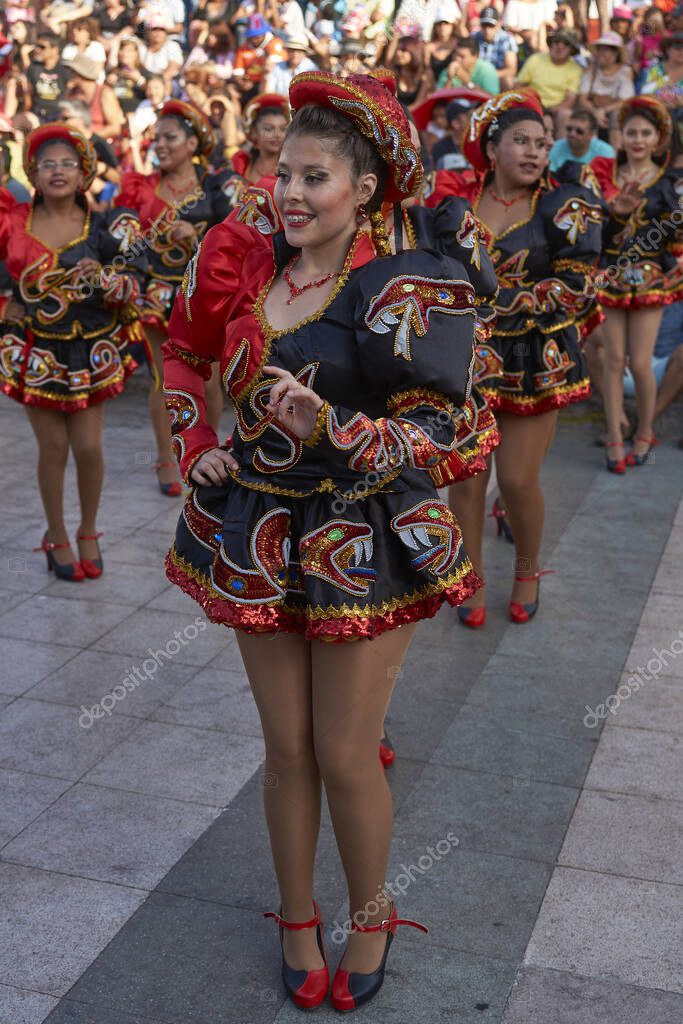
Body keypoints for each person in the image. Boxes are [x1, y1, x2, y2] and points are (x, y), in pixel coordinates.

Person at [162, 70, 484, 1012]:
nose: (291, 194)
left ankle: (372, 914)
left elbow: (445, 430)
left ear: (364, 188)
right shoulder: (243, 260)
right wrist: (196, 443)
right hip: (259, 527)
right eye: (283, 175)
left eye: (315, 178)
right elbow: (181, 351)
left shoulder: (401, 284)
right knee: (288, 747)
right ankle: (296, 917)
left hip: (365, 534)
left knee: (346, 751)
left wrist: (334, 428)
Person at [426, 88, 603, 626]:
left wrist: (504, 299)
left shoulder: (563, 203)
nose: (534, 151)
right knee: (466, 481)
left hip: (534, 359)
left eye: (542, 143)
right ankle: (472, 578)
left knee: (519, 480)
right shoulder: (455, 203)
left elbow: (580, 284)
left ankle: (528, 568)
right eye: (521, 141)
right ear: (491, 147)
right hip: (465, 361)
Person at [0, 123, 145, 579]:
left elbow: (133, 287)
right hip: (36, 349)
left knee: (88, 447)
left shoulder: (103, 226)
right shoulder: (12, 223)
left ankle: (87, 529)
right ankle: (57, 533)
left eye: (68, 163)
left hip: (90, 349)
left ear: (84, 175)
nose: (58, 171)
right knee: (53, 447)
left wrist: (103, 278)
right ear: (33, 174)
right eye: (48, 164)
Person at [116, 100, 237, 497]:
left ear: (192, 144)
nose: (161, 145)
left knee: (210, 379)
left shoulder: (214, 185)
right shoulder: (142, 187)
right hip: (158, 295)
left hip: (207, 294)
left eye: (170, 138)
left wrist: (197, 237)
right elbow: (127, 247)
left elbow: (234, 237)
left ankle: (207, 450)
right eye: (157, 139)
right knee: (164, 379)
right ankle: (167, 457)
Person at [591, 96, 683, 472]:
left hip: (651, 280)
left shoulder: (670, 182)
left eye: (646, 133)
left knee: (641, 363)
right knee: (614, 360)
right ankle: (615, 435)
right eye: (632, 132)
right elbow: (596, 230)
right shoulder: (604, 176)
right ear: (621, 136)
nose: (638, 140)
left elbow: (674, 237)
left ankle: (645, 430)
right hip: (611, 275)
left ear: (658, 139)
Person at [516, 29, 581, 137]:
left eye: (566, 43)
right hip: (531, 106)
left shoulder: (575, 69)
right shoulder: (535, 59)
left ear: (571, 50)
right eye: (556, 42)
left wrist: (548, 111)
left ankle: (559, 148)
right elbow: (518, 86)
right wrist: (531, 105)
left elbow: (569, 101)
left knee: (566, 114)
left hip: (556, 112)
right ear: (551, 45)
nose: (560, 46)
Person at [577, 31, 634, 148]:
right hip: (593, 109)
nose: (601, 53)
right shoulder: (591, 70)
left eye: (606, 50)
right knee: (587, 117)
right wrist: (595, 111)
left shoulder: (625, 71)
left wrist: (603, 110)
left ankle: (615, 154)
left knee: (616, 115)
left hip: (613, 110)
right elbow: (583, 99)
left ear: (615, 54)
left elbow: (625, 100)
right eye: (600, 49)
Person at [231, 92, 289, 184]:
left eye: (283, 129)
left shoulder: (293, 167)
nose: (277, 135)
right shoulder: (242, 164)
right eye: (269, 129)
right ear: (254, 132)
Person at [64, 53, 125, 141]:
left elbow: (115, 128)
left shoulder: (104, 93)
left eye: (72, 71)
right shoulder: (71, 92)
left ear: (81, 74)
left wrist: (89, 138)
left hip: (100, 144)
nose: (68, 74)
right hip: (74, 143)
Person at [548, 108, 615, 172]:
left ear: (592, 134)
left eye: (579, 131)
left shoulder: (605, 152)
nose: (572, 134)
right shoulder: (555, 148)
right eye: (569, 129)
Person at [26, 32, 69, 124]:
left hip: (59, 116)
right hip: (37, 115)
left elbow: (69, 96)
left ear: (55, 49)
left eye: (42, 47)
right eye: (36, 46)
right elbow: (29, 94)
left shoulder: (66, 69)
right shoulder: (33, 67)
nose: (37, 50)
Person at [474, 6, 518, 91]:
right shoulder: (474, 38)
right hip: (477, 77)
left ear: (498, 25)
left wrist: (489, 76)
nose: (487, 30)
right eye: (484, 25)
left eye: (491, 25)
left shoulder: (507, 39)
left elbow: (511, 70)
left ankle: (506, 100)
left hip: (498, 78)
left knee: (507, 80)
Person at [431, 96, 479, 170]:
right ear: (456, 123)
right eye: (469, 116)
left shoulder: (479, 144)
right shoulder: (441, 149)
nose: (475, 119)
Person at [642, 32, 683, 107]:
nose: (681, 52)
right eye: (677, 48)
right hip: (657, 109)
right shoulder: (654, 70)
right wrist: (661, 101)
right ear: (667, 50)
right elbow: (645, 94)